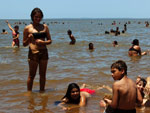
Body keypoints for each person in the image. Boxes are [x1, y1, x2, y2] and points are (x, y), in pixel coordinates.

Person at [23, 8, 52, 93]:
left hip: (44, 53)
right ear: (32, 17)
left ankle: (42, 92)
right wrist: (29, 39)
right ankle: (29, 93)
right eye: (36, 17)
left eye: (39, 17)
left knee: (42, 75)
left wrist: (43, 42)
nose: (38, 19)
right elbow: (24, 44)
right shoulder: (27, 28)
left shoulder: (45, 27)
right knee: (31, 75)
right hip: (33, 54)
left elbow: (50, 41)